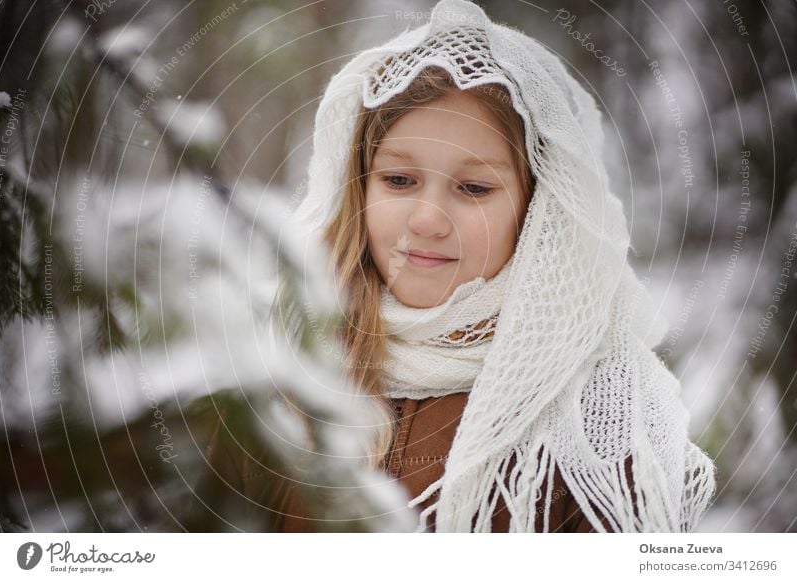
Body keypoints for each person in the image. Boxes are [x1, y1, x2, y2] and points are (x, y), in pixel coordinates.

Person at [201, 0, 716, 533]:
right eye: (398, 180)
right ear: (358, 185)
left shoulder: (602, 417)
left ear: (538, 210)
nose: (427, 220)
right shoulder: (287, 365)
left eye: (473, 188)